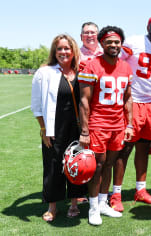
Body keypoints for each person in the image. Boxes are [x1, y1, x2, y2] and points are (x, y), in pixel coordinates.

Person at [109, 15, 151, 212]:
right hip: (132, 101)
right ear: (148, 27)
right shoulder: (134, 42)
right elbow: (117, 64)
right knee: (124, 148)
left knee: (144, 147)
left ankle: (140, 190)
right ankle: (116, 193)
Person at [78, 26, 133, 225]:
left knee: (109, 164)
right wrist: (85, 130)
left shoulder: (126, 67)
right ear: (102, 44)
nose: (113, 45)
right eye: (109, 42)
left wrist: (130, 125)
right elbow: (84, 101)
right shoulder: (92, 65)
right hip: (98, 124)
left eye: (117, 42)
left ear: (121, 44)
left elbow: (128, 99)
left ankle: (102, 203)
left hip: (118, 124)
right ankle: (93, 208)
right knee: (97, 166)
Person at [31, 34, 87, 222]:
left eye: (67, 48)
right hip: (54, 128)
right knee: (54, 167)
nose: (63, 52)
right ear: (54, 52)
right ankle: (52, 207)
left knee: (77, 165)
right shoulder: (45, 72)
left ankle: (73, 204)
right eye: (59, 49)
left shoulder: (82, 71)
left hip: (77, 128)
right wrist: (43, 128)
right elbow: (37, 104)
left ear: (73, 50)